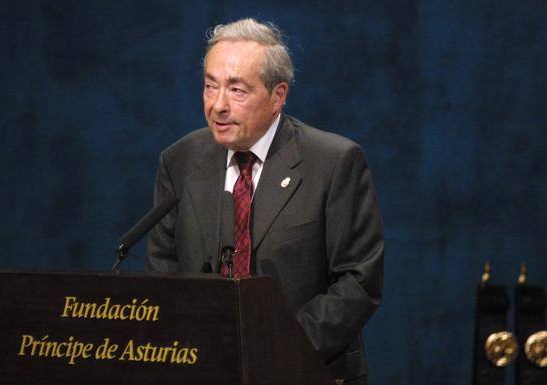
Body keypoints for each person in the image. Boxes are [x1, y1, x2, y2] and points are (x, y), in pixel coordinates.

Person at [146, 18, 384, 385]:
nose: (218, 105)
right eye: (210, 87)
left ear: (278, 96)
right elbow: (163, 268)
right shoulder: (179, 161)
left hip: (308, 369)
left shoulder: (333, 162)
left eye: (237, 90)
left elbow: (358, 281)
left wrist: (273, 347)